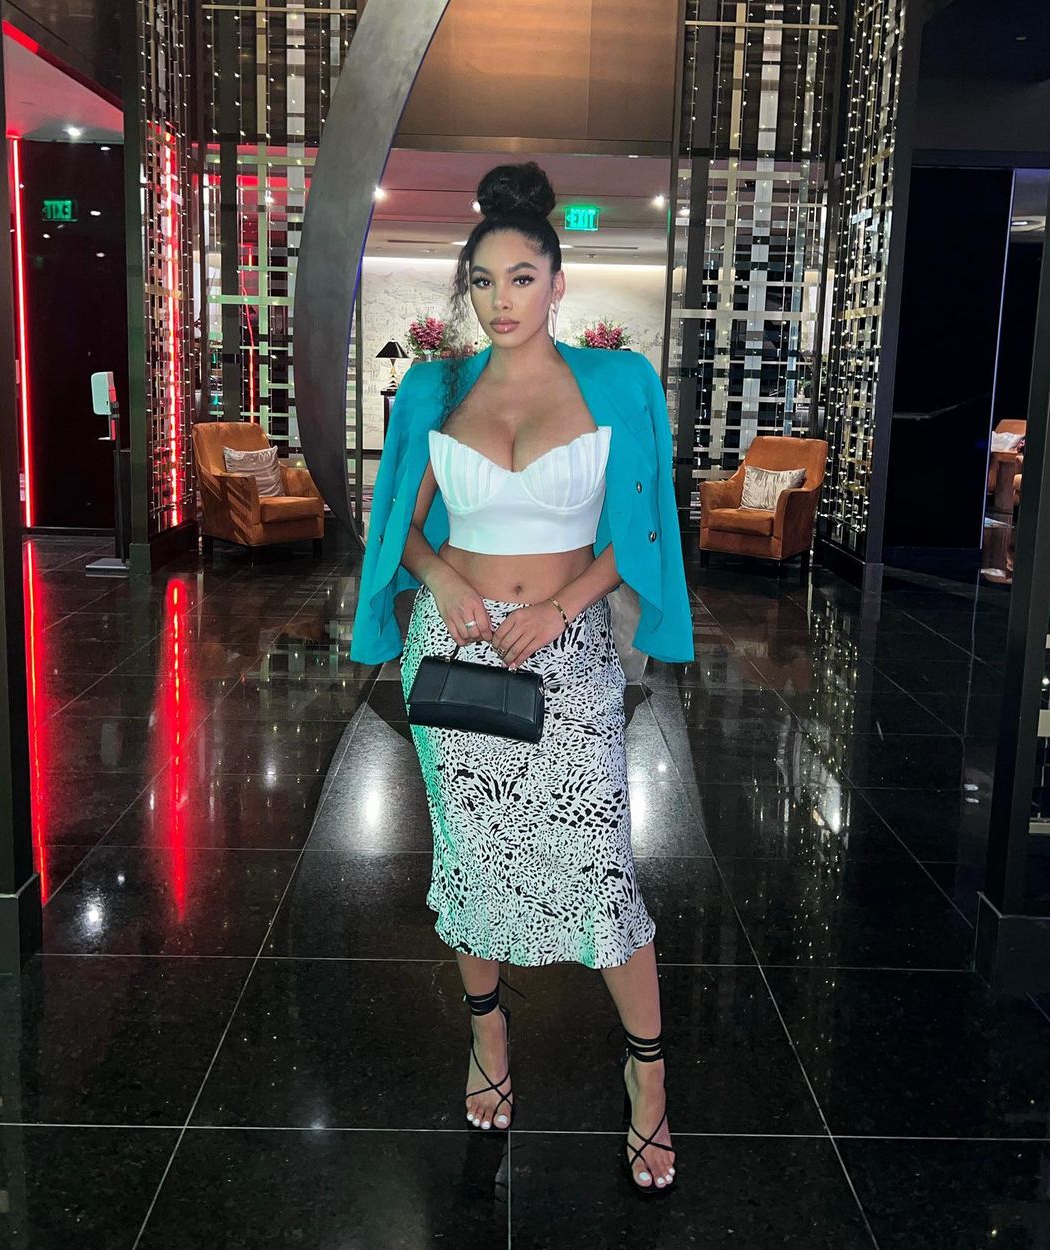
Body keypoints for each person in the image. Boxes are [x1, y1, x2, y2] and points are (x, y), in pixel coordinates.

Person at [350, 161, 694, 1194]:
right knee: (472, 862)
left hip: (567, 646)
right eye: (484, 281)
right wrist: (443, 577)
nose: (501, 300)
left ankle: (649, 1076)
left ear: (556, 280)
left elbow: (638, 529)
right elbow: (402, 527)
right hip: (454, 650)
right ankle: (489, 1036)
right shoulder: (436, 388)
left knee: (601, 864)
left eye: (522, 278)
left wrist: (562, 607)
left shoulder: (617, 384)